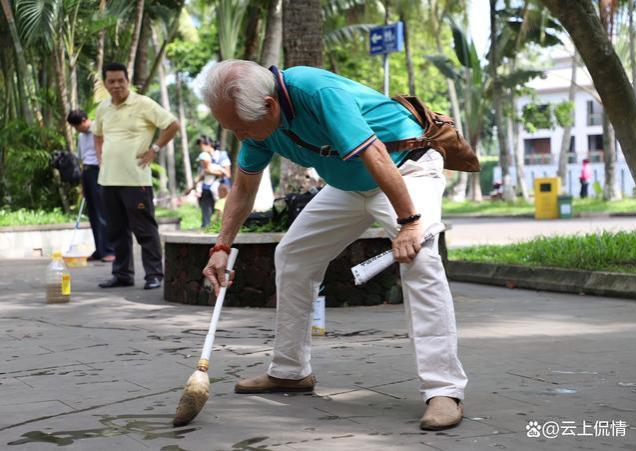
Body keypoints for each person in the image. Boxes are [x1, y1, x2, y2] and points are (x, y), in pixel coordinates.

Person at [201, 60, 468, 430]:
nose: (240, 137)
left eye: (241, 128)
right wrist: (220, 248)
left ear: (269, 105)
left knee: (419, 259)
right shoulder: (257, 126)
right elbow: (244, 188)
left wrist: (409, 223)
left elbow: (373, 153)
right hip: (351, 183)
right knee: (293, 254)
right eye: (232, 129)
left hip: (406, 167)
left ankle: (444, 389)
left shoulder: (316, 92)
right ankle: (290, 370)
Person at [93, 62, 180, 290]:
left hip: (136, 180)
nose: (116, 85)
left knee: (145, 230)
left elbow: (172, 124)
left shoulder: (143, 104)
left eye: (121, 80)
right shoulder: (102, 108)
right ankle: (122, 274)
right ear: (106, 84)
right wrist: (101, 158)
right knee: (116, 231)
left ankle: (154, 275)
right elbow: (97, 135)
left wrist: (155, 149)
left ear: (127, 81)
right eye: (111, 81)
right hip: (108, 181)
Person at [66, 109, 115, 262]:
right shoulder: (81, 136)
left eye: (76, 126)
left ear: (84, 120)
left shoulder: (99, 130)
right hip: (87, 172)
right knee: (93, 214)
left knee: (103, 213)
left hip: (99, 172)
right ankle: (100, 250)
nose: (76, 130)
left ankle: (110, 250)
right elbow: (82, 157)